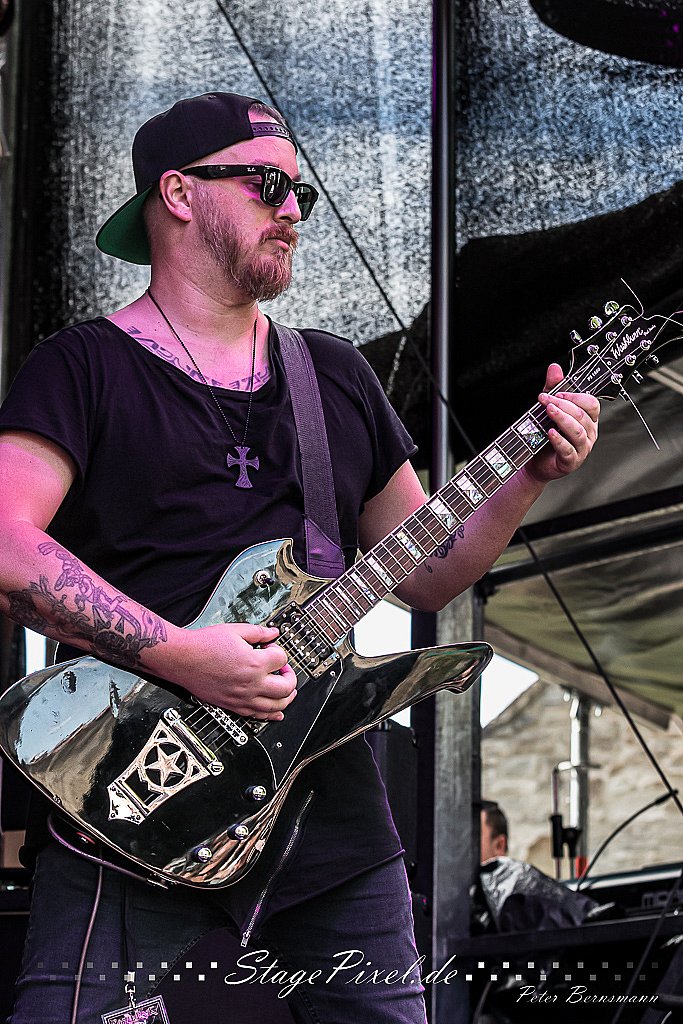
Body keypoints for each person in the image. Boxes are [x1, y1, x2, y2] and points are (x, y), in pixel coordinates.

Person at [0, 91, 600, 1022]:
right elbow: (7, 541)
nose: (292, 210)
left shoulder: (332, 375)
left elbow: (428, 570)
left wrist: (529, 474)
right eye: (266, 185)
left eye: (300, 193)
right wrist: (178, 654)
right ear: (179, 193)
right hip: (132, 791)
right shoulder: (81, 367)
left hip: (327, 811)